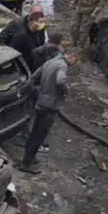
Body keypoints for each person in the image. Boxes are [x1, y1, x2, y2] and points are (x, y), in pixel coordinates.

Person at [21, 34, 75, 174]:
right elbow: (61, 81)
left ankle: (28, 158)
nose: (75, 64)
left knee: (34, 132)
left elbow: (33, 78)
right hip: (50, 105)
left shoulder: (49, 62)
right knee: (40, 134)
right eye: (76, 61)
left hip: (40, 101)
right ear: (72, 57)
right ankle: (26, 164)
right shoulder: (62, 65)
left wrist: (32, 92)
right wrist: (65, 91)